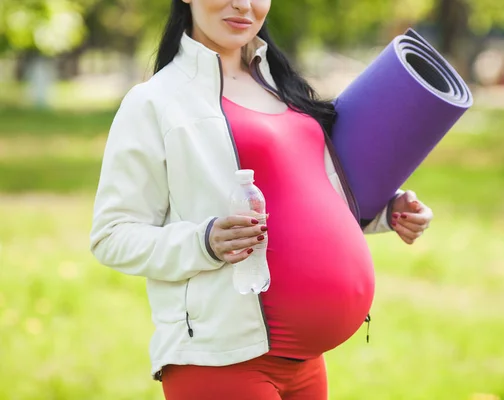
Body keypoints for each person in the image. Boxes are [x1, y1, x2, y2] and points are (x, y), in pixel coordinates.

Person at [89, 0, 434, 399]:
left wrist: (386, 212)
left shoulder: (282, 86)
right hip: (222, 361)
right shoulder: (155, 102)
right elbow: (111, 235)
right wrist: (204, 242)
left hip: (306, 364)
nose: (244, 5)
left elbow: (310, 190)